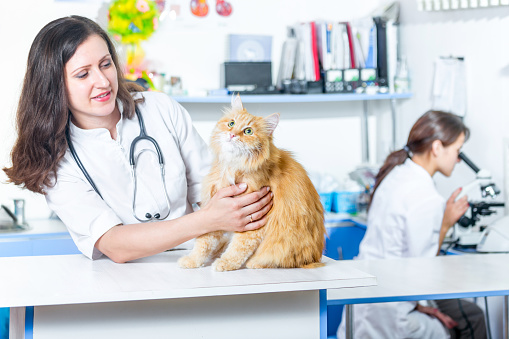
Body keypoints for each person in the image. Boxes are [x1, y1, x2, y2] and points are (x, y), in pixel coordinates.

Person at [2, 15, 273, 263]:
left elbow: (211, 187)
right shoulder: (54, 160)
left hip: (195, 262)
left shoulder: (160, 108)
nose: (103, 81)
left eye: (106, 64)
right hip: (124, 281)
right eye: (83, 74)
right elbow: (114, 244)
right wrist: (207, 219)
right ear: (54, 86)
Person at [338, 111, 487, 339]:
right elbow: (422, 268)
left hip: (366, 301)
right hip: (391, 314)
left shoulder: (397, 175)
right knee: (472, 318)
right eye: (457, 151)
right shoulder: (425, 195)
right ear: (437, 148)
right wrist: (445, 224)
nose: (458, 160)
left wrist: (419, 305)